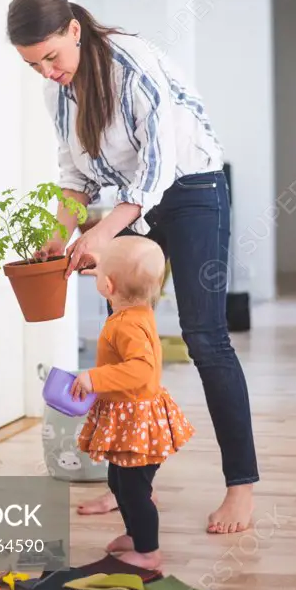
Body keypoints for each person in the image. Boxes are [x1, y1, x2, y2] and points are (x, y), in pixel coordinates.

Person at [7, 0, 259, 534]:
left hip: (191, 191)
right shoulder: (57, 92)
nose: (47, 71)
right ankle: (130, 486)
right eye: (33, 65)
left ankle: (241, 486)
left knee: (204, 338)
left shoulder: (131, 62)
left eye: (51, 56)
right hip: (131, 202)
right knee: (124, 340)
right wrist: (60, 235)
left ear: (75, 29)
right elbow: (74, 175)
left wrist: (101, 235)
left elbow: (157, 168)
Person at [69, 235, 194, 570]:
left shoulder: (127, 325)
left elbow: (140, 370)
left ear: (108, 286)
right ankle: (135, 533)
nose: (96, 278)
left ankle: (149, 551)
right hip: (131, 417)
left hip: (137, 421)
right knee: (119, 483)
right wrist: (105, 267)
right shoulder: (140, 309)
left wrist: (93, 379)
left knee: (135, 491)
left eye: (98, 276)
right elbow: (130, 280)